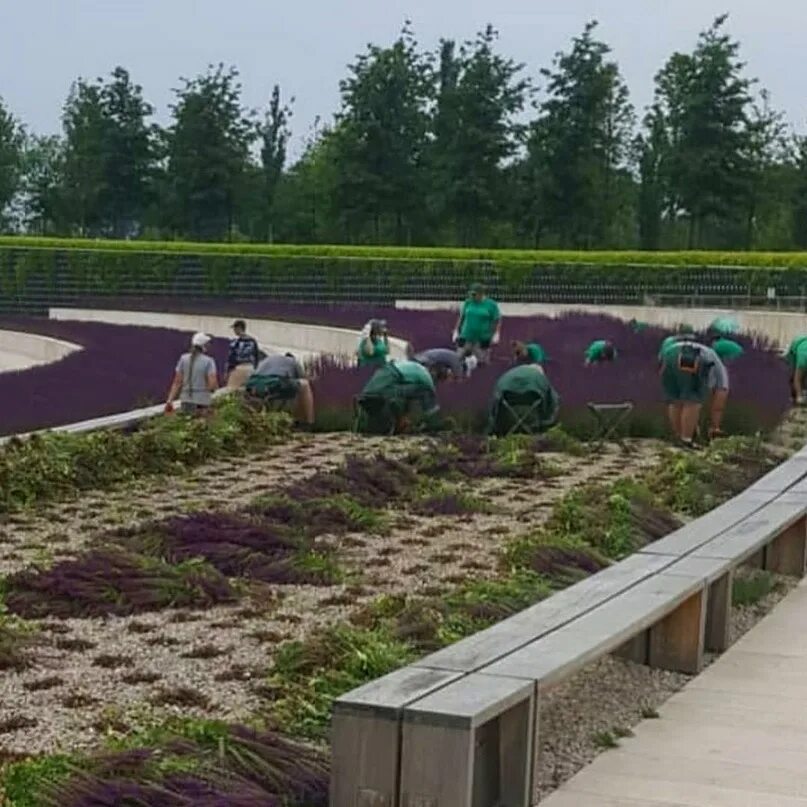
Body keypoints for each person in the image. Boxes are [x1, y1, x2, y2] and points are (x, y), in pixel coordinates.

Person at [659, 335, 724, 447]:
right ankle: (686, 439)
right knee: (692, 400)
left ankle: (678, 437)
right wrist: (715, 426)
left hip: (669, 353)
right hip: (692, 355)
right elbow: (719, 403)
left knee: (675, 400)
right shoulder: (719, 369)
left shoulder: (709, 353)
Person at [359, 359, 441, 432]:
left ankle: (402, 420)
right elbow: (430, 392)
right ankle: (432, 424)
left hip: (368, 393)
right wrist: (433, 414)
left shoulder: (410, 368)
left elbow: (407, 395)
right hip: (383, 390)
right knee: (424, 390)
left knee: (409, 392)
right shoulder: (426, 375)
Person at [488, 357, 559, 434]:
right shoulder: (539, 378)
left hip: (506, 419)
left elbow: (494, 400)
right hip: (532, 418)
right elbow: (553, 400)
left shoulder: (507, 376)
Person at [246, 352, 315, 426]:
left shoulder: (267, 360)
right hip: (275, 381)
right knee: (305, 385)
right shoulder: (292, 361)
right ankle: (307, 423)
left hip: (253, 384)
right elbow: (302, 379)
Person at [166, 332, 219, 416]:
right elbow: (212, 384)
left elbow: (177, 382)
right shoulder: (209, 361)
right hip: (202, 401)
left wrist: (170, 400)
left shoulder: (183, 359)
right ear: (204, 345)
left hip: (186, 400)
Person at [453, 283, 501, 364]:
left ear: (481, 294)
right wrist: (456, 330)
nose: (472, 296)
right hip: (466, 336)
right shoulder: (468, 302)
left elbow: (497, 320)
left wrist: (496, 333)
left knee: (481, 361)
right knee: (458, 359)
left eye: (474, 294)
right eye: (471, 294)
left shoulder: (491, 305)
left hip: (482, 338)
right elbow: (462, 317)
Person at [705, 337, 744, 438]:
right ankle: (715, 428)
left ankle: (711, 427)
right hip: (735, 363)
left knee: (713, 397)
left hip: (723, 367)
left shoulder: (714, 347)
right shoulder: (727, 344)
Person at [225, 319, 260, 390]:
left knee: (233, 390)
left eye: (234, 328)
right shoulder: (253, 341)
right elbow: (257, 356)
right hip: (251, 368)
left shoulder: (235, 343)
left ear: (239, 328)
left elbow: (231, 359)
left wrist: (227, 372)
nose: (234, 330)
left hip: (239, 368)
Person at [412, 348, 478, 380]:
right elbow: (458, 376)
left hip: (423, 358)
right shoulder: (456, 360)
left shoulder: (453, 357)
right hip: (425, 362)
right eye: (464, 369)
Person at [786, 335, 807, 404]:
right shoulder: (803, 359)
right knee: (797, 376)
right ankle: (795, 395)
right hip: (794, 351)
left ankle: (803, 391)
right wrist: (799, 396)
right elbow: (797, 378)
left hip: (803, 343)